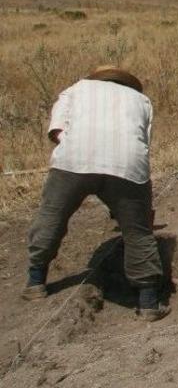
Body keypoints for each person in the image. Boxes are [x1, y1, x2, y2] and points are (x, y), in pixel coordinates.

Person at [23, 66, 170, 320]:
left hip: (73, 161)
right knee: (138, 233)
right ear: (127, 84)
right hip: (127, 164)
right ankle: (148, 302)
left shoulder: (75, 90)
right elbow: (143, 143)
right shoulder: (141, 100)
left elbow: (57, 132)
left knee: (52, 216)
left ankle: (35, 281)